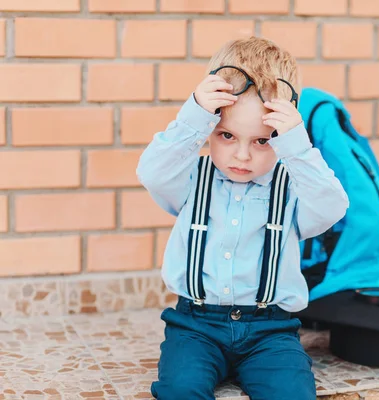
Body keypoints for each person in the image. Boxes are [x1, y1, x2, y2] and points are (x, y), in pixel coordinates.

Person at [137, 37, 349, 400]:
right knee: (179, 389)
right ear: (210, 128)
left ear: (279, 138)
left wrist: (296, 145)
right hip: (196, 326)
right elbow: (151, 172)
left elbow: (333, 206)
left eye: (262, 141)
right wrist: (195, 116)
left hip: (270, 330)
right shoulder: (190, 180)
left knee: (293, 393)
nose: (242, 155)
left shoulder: (292, 189)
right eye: (226, 135)